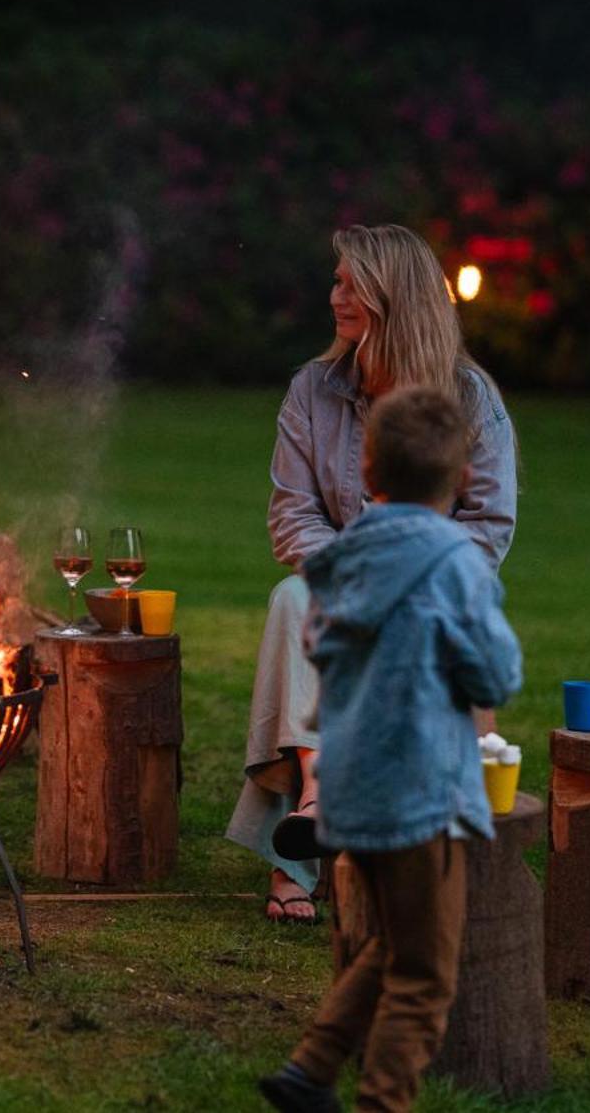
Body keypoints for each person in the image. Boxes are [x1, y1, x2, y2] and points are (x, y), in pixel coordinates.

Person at [227, 225, 517, 925]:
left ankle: (304, 843)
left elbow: (488, 524)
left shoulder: (468, 399)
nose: (335, 298)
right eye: (335, 282)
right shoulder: (313, 390)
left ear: (395, 298)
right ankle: (316, 801)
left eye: (350, 287)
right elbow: (293, 515)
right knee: (296, 592)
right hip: (338, 584)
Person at [257, 386, 524, 1113]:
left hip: (349, 794)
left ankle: (310, 1070)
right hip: (423, 798)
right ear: (463, 477)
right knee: (426, 975)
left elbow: (318, 643)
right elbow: (495, 673)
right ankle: (383, 1100)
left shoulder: (341, 557)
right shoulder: (458, 567)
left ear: (367, 466)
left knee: (391, 940)